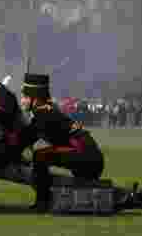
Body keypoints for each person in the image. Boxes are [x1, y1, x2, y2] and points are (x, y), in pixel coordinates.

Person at [18, 73, 105, 212]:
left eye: (25, 96)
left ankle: (42, 202)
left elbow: (25, 139)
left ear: (35, 98)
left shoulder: (43, 114)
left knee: (40, 156)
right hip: (89, 157)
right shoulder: (47, 110)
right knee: (40, 155)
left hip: (87, 157)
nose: (22, 100)